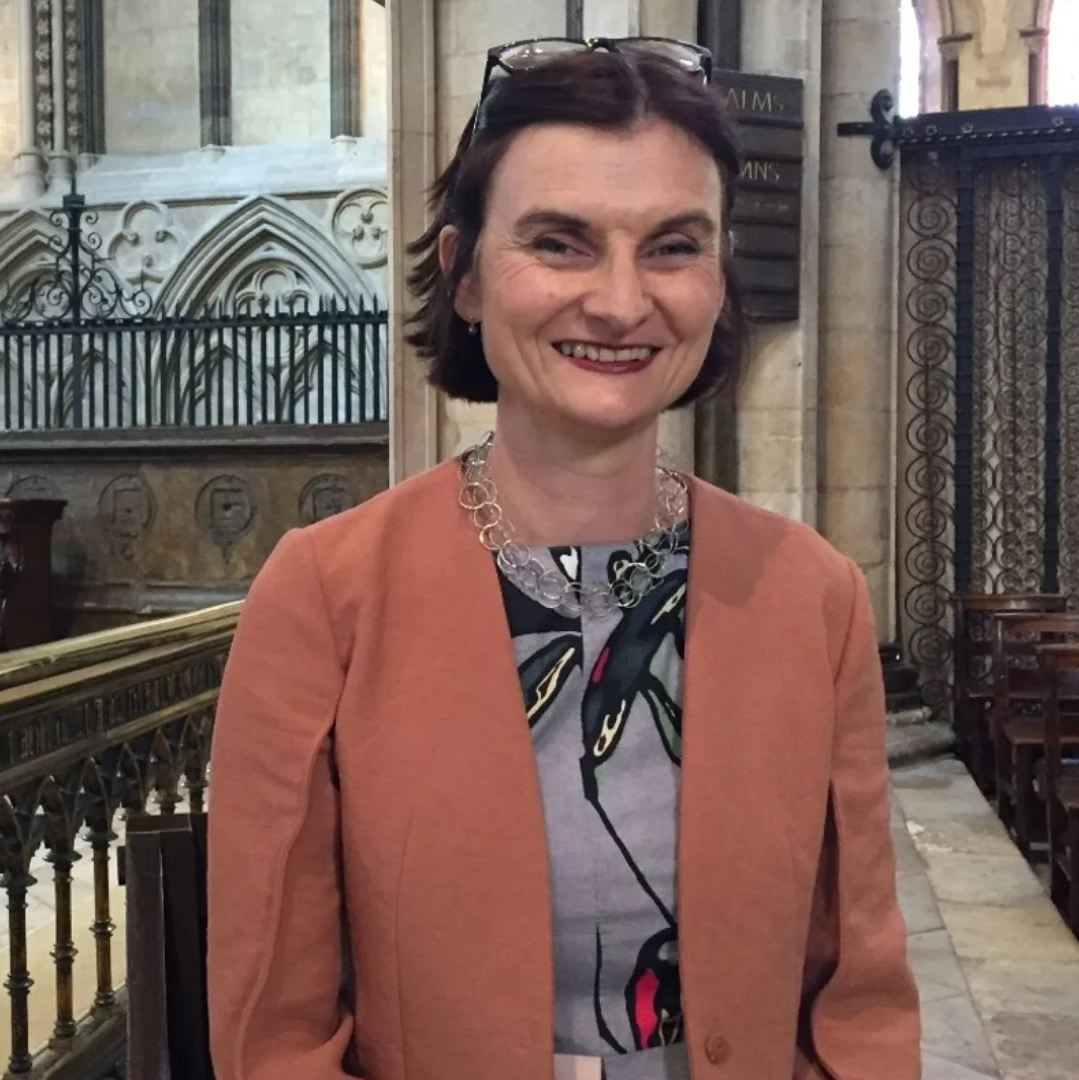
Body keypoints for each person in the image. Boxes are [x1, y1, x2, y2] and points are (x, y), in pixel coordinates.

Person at [204, 38, 920, 1080]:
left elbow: (855, 1000)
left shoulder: (813, 595)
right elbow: (275, 1034)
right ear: (463, 277)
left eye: (674, 246)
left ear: (720, 278)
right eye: (560, 243)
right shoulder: (327, 595)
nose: (623, 303)